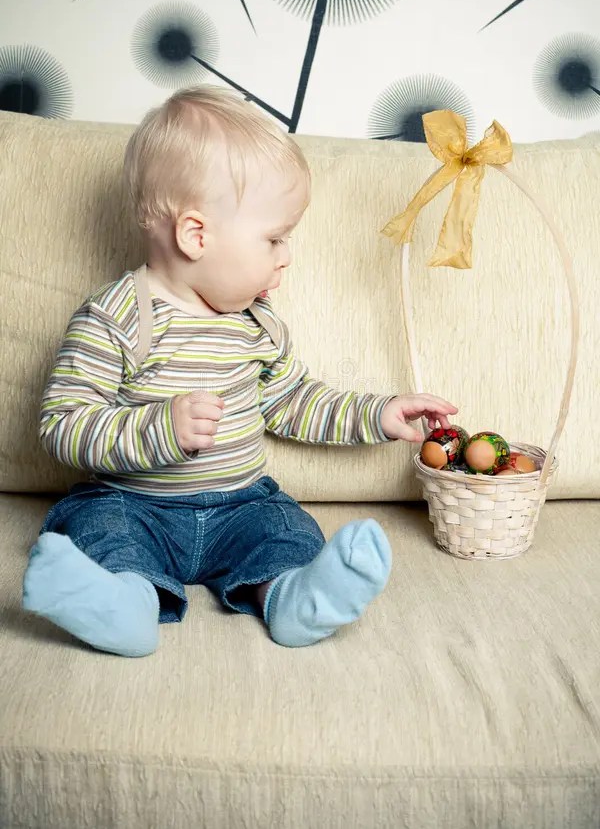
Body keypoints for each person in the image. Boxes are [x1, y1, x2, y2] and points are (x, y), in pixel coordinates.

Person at [22, 85, 458, 657]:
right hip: (137, 504)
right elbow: (63, 423)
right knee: (102, 531)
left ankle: (292, 596)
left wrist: (375, 413)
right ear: (196, 235)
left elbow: (293, 399)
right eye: (275, 238)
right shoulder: (117, 316)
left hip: (240, 506)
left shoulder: (257, 323)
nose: (287, 256)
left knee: (284, 530)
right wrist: (159, 430)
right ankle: (125, 605)